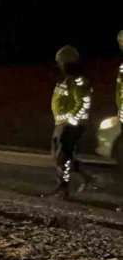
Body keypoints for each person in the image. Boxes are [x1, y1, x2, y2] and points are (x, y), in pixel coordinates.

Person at [43, 45, 92, 199]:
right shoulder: (65, 79)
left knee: (62, 155)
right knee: (61, 155)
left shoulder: (78, 81)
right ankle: (86, 176)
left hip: (71, 125)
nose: (60, 66)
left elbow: (84, 102)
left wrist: (72, 119)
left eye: (62, 63)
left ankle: (63, 188)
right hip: (61, 123)